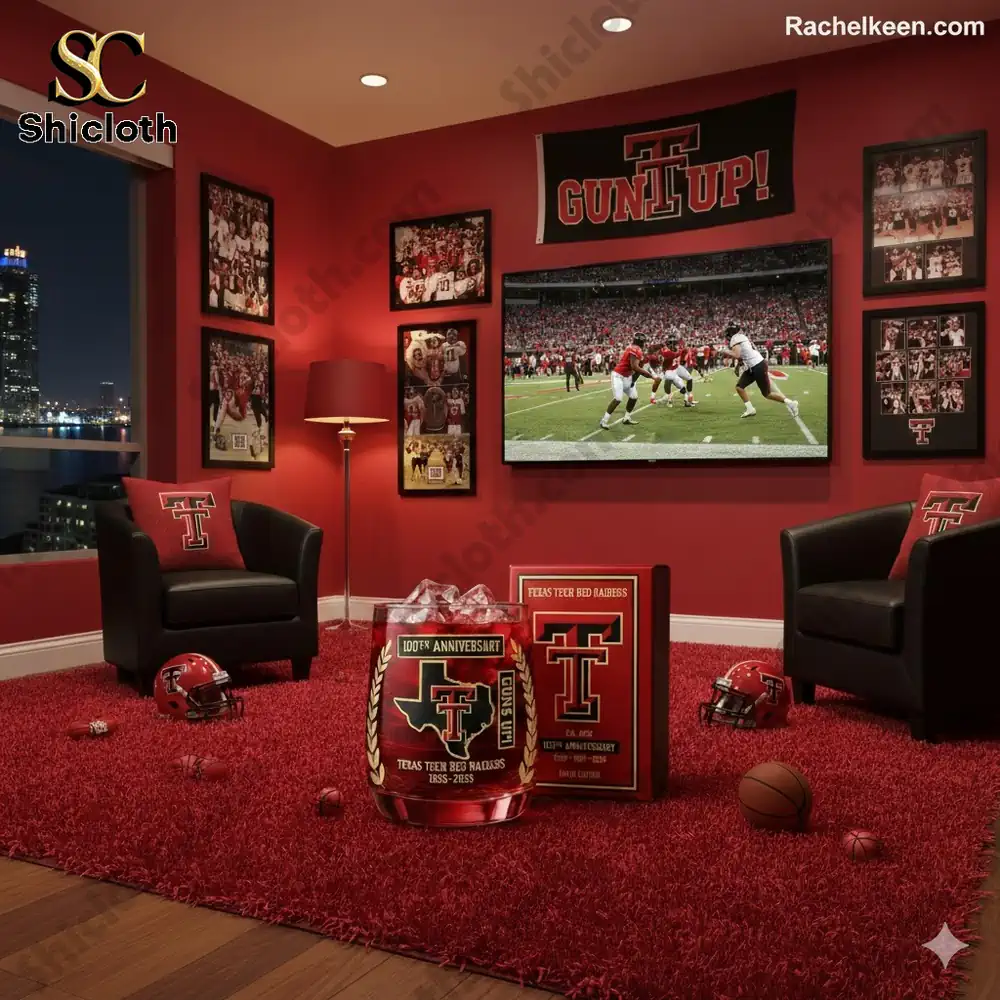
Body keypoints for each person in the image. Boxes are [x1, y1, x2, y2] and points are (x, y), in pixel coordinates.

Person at [721, 323, 799, 420]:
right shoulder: (741, 337)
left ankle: (791, 403)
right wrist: (737, 367)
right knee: (739, 387)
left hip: (757, 365)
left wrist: (724, 351)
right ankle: (750, 409)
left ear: (730, 334)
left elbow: (737, 355)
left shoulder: (735, 338)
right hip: (753, 366)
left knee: (767, 394)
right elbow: (742, 356)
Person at [600, 336, 654, 430]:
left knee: (634, 397)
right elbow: (635, 367)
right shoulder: (635, 349)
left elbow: (637, 370)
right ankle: (604, 421)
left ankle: (627, 418)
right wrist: (650, 376)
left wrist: (633, 381)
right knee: (618, 398)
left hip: (627, 376)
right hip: (618, 375)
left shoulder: (636, 350)